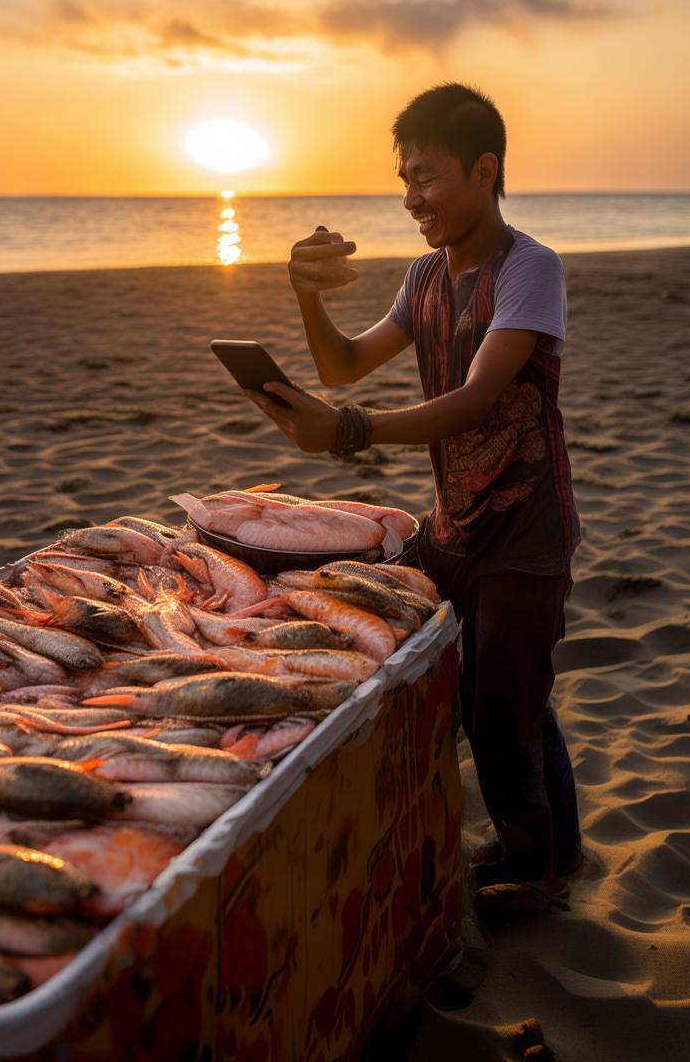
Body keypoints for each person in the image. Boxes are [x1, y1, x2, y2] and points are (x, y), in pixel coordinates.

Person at [244, 82, 582, 917]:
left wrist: (349, 434)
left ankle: (539, 865)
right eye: (403, 178)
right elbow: (344, 368)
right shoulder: (425, 275)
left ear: (484, 169)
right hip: (453, 526)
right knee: (484, 690)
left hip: (527, 532)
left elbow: (474, 398)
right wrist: (306, 295)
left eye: (426, 177)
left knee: (505, 703)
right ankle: (550, 844)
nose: (411, 198)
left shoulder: (530, 269)